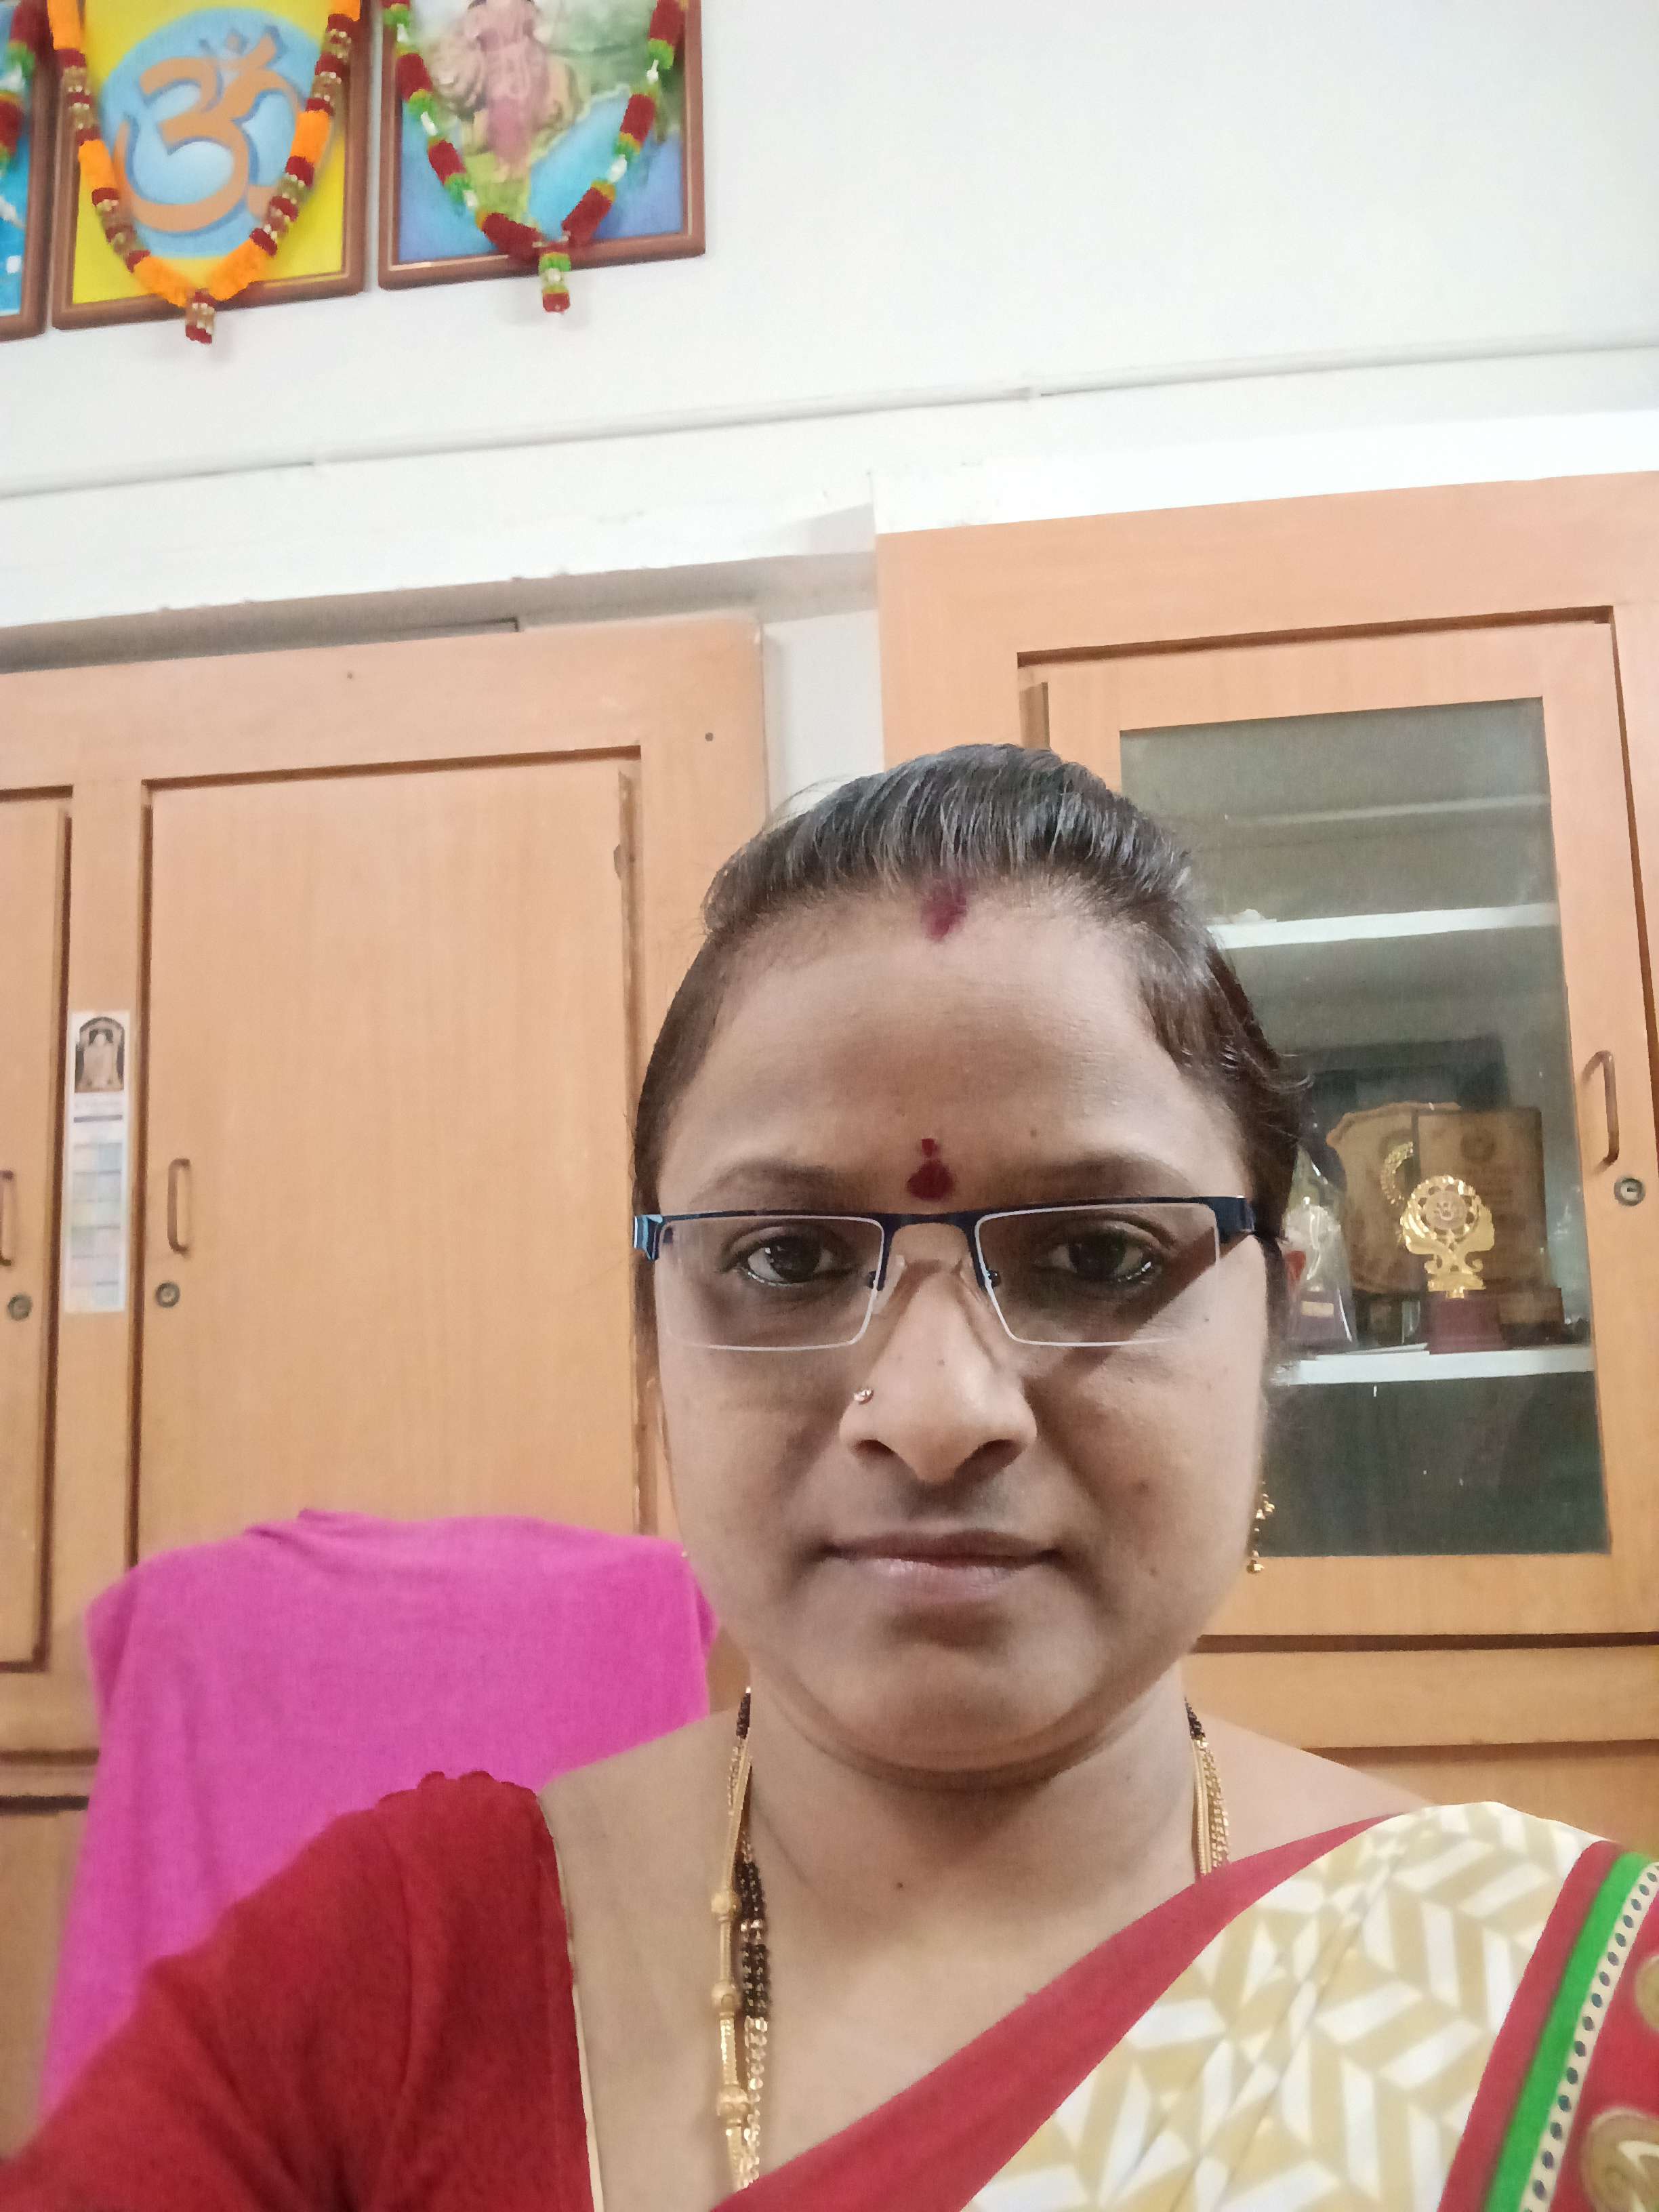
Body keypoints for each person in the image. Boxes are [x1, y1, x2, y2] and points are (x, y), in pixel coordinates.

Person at [5, 745, 1653, 2212]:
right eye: (787, 1257)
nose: (935, 1415)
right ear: (655, 1333)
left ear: (1276, 1322)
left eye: (1094, 1253)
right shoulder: (378, 1991)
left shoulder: (1559, 2022)